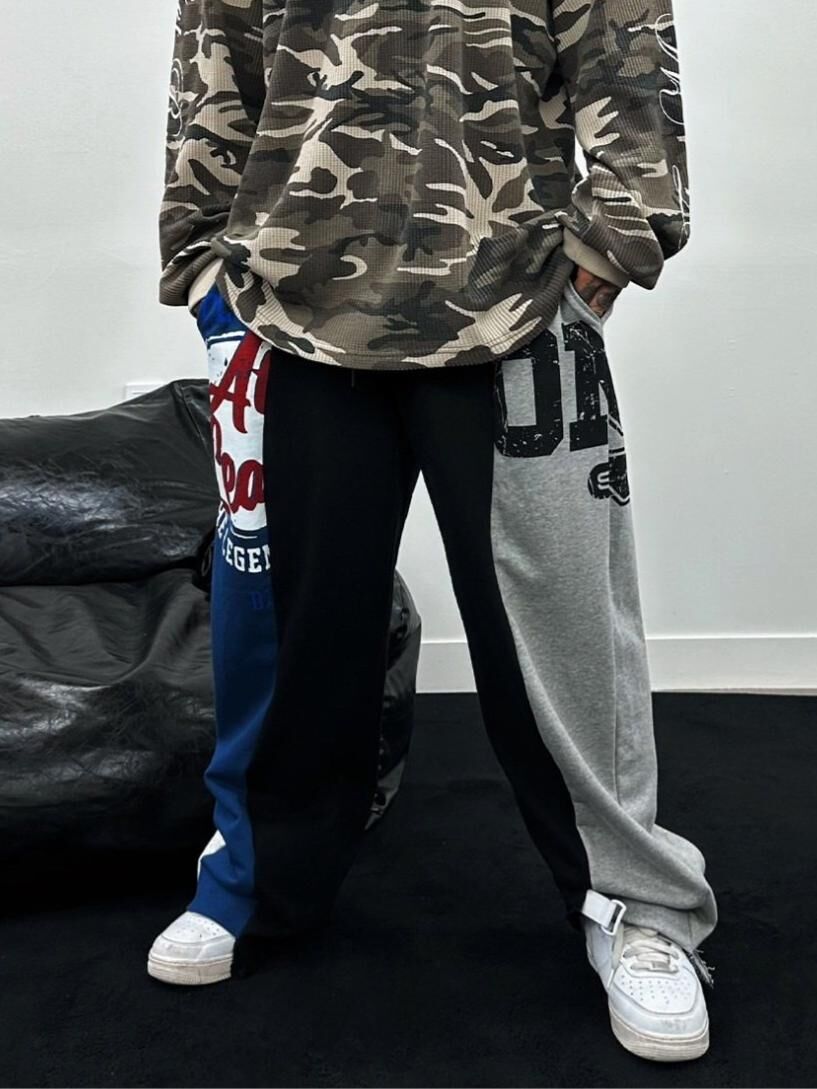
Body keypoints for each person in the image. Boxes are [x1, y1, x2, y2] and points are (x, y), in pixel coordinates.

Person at [149, 0, 717, 1061]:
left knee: (565, 629)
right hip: (288, 312)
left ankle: (637, 904)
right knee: (286, 623)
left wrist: (610, 248)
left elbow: (625, 59)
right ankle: (253, 880)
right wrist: (204, 268)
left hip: (515, 309)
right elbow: (213, 63)